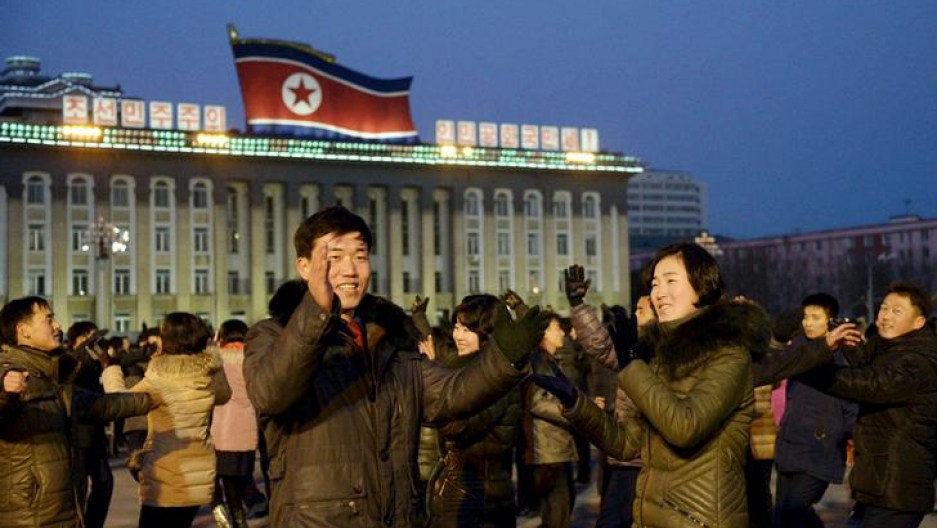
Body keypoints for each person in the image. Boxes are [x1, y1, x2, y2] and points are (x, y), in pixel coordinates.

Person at [243, 206, 547, 528]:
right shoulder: (274, 336)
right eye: (335, 257)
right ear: (304, 267)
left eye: (360, 257)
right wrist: (316, 313)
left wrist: (504, 357)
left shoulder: (390, 342)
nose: (350, 270)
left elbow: (449, 394)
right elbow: (270, 394)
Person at [534, 242, 772, 528]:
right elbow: (628, 445)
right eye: (655, 284)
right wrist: (577, 404)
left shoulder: (729, 353)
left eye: (671, 281)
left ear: (702, 285)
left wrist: (633, 367)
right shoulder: (659, 354)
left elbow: (685, 427)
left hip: (700, 520)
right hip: (650, 516)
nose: (659, 293)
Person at [0, 296, 152, 528]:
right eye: (49, 320)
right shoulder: (10, 370)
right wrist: (4, 390)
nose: (57, 325)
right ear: (24, 331)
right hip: (29, 517)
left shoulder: (50, 376)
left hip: (65, 511)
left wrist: (154, 399)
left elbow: (102, 405)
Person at [801, 282, 937, 528]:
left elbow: (871, 383)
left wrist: (807, 368)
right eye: (884, 308)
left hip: (898, 487)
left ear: (919, 322)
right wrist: (846, 340)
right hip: (879, 483)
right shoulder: (890, 348)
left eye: (896, 311)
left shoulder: (917, 361)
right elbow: (867, 362)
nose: (886, 316)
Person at [102, 312, 232, 528]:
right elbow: (224, 395)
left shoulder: (161, 376)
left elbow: (119, 403)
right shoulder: (209, 371)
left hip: (167, 476)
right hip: (199, 472)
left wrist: (111, 368)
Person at [428, 294, 520, 528]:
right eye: (457, 328)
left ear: (488, 335)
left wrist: (430, 394)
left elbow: (461, 427)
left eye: (467, 331)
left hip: (483, 495)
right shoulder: (460, 371)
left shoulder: (497, 378)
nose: (458, 336)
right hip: (459, 488)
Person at [773, 293, 858, 528]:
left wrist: (854, 438)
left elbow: (852, 403)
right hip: (790, 444)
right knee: (783, 517)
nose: (808, 323)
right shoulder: (799, 351)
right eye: (805, 317)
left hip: (820, 449)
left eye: (815, 317)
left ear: (831, 321)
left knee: (794, 511)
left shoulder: (843, 356)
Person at [522, 310, 579, 528]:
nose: (562, 333)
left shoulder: (550, 361)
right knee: (557, 513)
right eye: (557, 328)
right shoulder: (539, 362)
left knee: (560, 510)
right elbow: (537, 402)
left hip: (556, 447)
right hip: (547, 451)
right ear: (544, 332)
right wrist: (570, 410)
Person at [65, 321, 116, 528]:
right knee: (80, 489)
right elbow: (71, 372)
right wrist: (87, 348)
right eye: (90, 339)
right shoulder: (70, 361)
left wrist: (106, 363)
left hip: (95, 434)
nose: (96, 346)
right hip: (77, 437)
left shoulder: (94, 365)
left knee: (104, 483)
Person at [210, 319, 258, 528]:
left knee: (214, 483)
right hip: (247, 430)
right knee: (236, 487)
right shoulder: (254, 358)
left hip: (220, 430)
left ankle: (224, 521)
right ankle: (240, 522)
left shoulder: (216, 359)